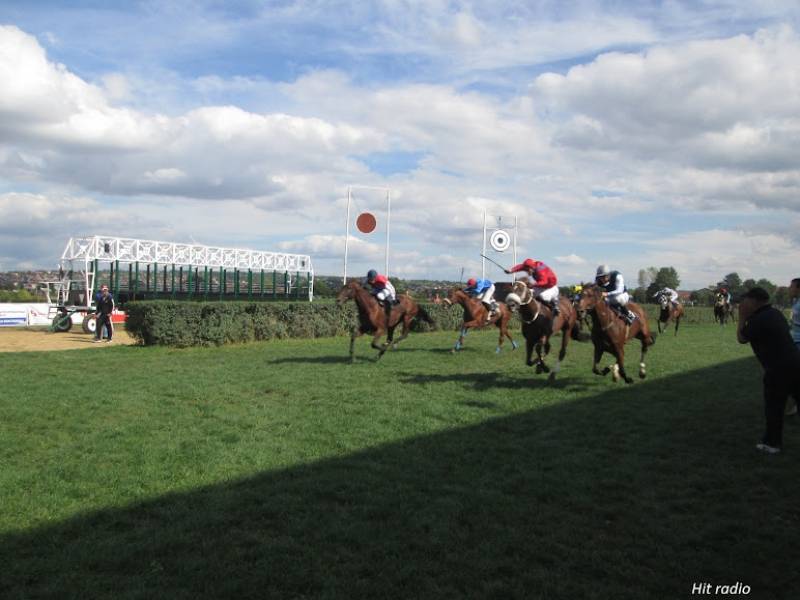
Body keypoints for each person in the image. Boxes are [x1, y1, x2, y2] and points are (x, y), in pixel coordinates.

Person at [737, 287, 800, 454]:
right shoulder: (775, 313)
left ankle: (772, 444)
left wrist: (741, 317)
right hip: (795, 362)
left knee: (774, 407)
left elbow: (742, 338)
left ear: (754, 301)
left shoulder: (759, 319)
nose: (743, 303)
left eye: (746, 300)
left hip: (778, 370)